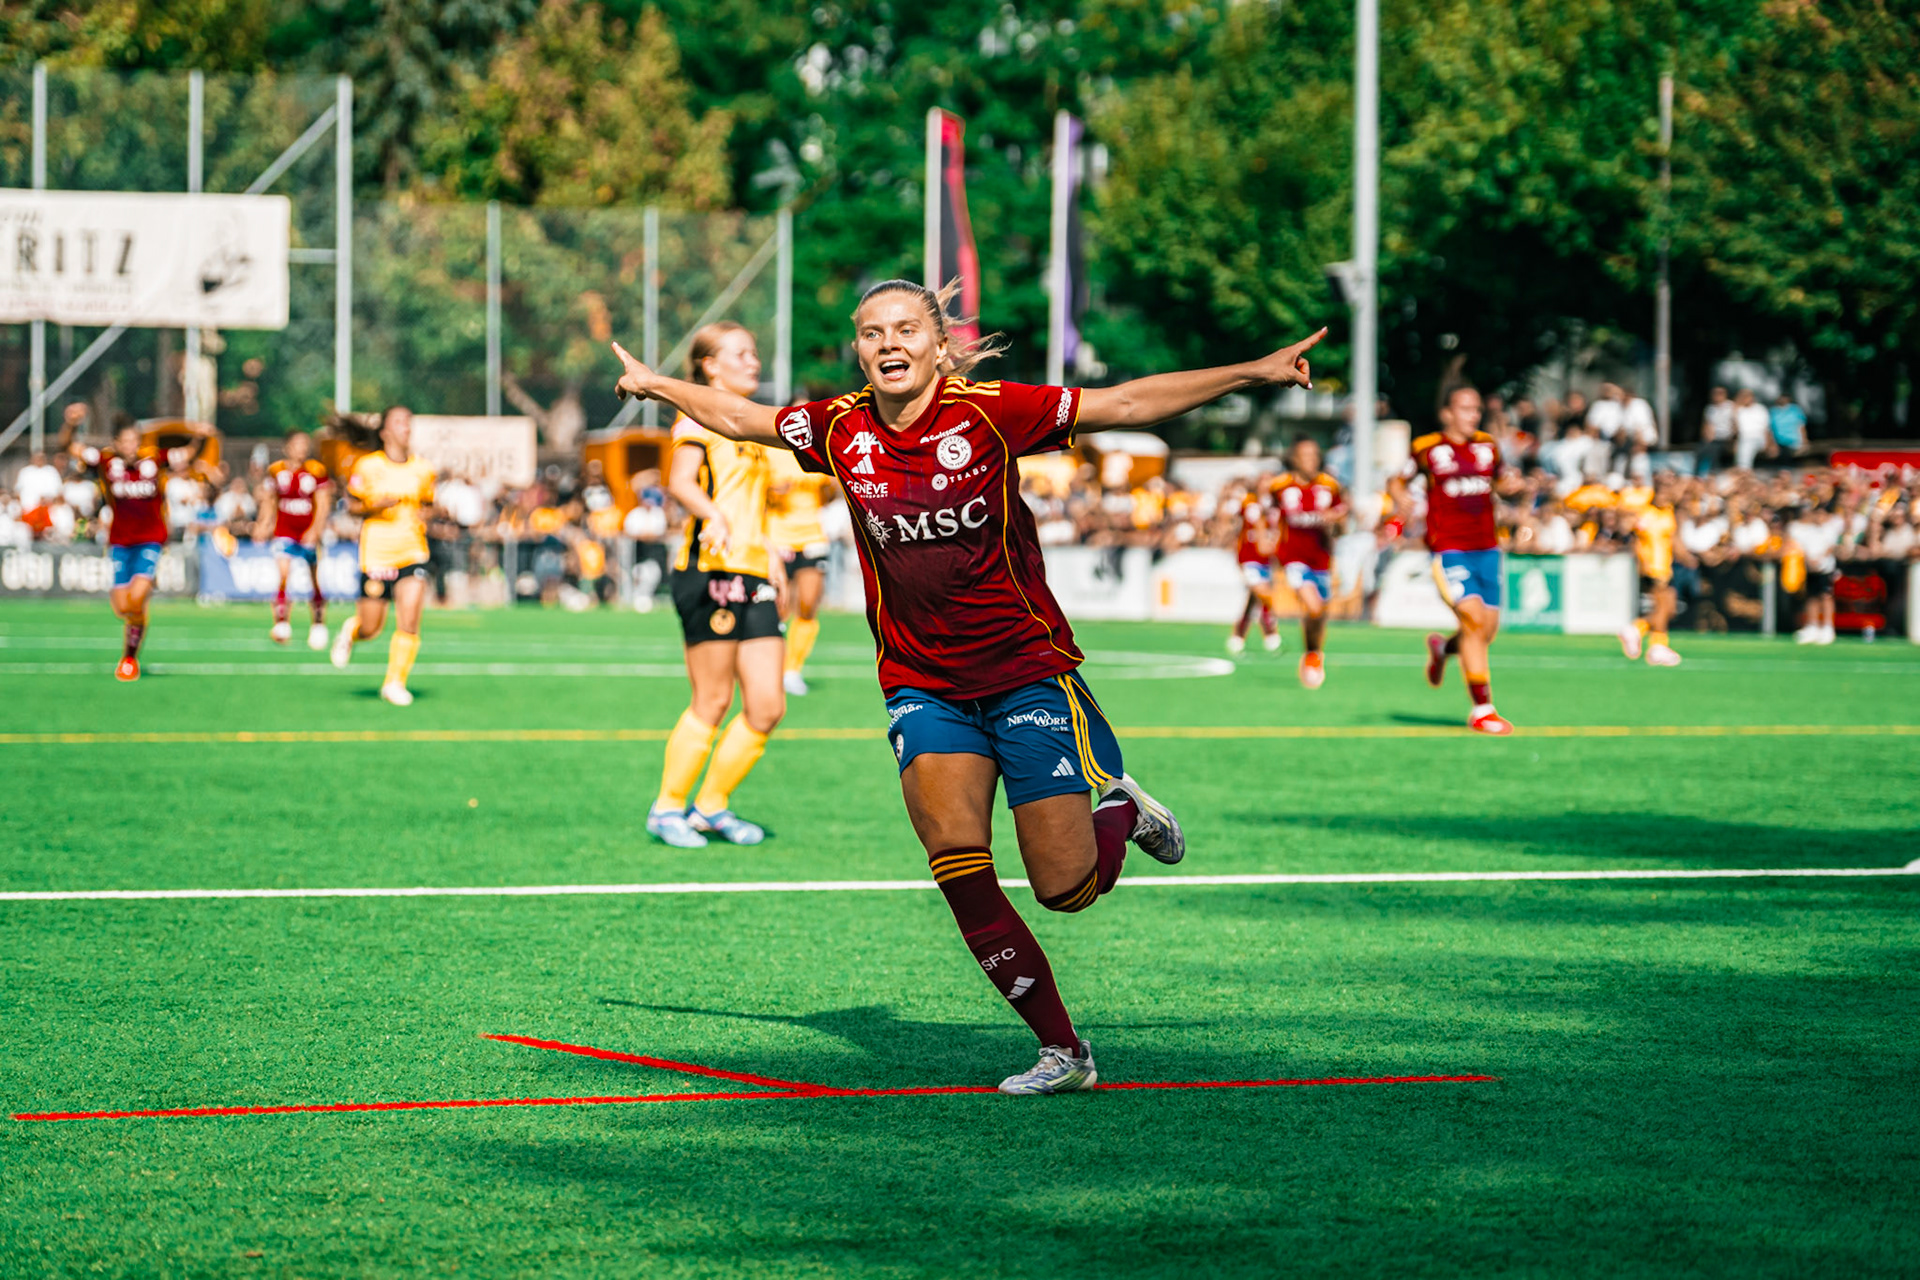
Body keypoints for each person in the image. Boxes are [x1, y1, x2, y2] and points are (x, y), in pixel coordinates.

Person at [610, 279, 1323, 1094]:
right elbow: (741, 417)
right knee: (956, 860)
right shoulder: (839, 426)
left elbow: (1126, 403)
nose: (889, 343)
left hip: (1024, 674)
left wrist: (1253, 370)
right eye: (872, 332)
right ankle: (1064, 1051)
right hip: (922, 685)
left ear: (938, 344)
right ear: (859, 350)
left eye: (905, 329)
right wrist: (656, 384)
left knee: (1065, 888)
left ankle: (1123, 810)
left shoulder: (990, 412)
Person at [647, 321, 789, 849]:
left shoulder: (751, 425)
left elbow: (750, 504)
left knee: (767, 706)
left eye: (755, 352)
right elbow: (680, 481)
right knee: (712, 698)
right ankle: (667, 809)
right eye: (741, 353)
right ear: (709, 366)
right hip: (709, 570)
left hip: (753, 571)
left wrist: (769, 550)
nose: (754, 361)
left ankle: (710, 807)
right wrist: (712, 516)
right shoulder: (698, 415)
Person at [1386, 384, 1513, 735]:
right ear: (1447, 413)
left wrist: (1513, 486)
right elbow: (1396, 480)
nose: (1473, 415)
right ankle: (1482, 709)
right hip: (1449, 547)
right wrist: (1400, 498)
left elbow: (1501, 482)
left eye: (1476, 409)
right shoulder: (1426, 448)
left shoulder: (1488, 446)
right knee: (1472, 619)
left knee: (1486, 630)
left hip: (1487, 546)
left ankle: (1443, 648)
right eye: (1465, 408)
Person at [60, 415, 213, 681]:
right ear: (116, 443)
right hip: (120, 541)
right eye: (126, 441)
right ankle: (137, 619)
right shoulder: (106, 460)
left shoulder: (154, 460)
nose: (131, 446)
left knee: (137, 597)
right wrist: (71, 424)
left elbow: (188, 453)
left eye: (134, 441)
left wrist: (199, 437)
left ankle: (129, 658)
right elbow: (69, 446)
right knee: (123, 608)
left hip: (151, 539)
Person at [328, 407, 436, 705]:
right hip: (377, 553)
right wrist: (374, 505)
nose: (406, 428)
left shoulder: (423, 469)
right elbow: (351, 506)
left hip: (412, 551)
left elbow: (428, 505)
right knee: (371, 628)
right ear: (385, 432)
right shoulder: (368, 466)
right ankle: (352, 631)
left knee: (410, 619)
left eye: (409, 422)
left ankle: (394, 683)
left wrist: (430, 514)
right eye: (399, 422)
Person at [1271, 437, 1347, 688]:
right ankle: (1312, 656)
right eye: (1305, 455)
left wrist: (1335, 521)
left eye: (1315, 455)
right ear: (1294, 458)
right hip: (1293, 557)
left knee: (1319, 613)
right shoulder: (1279, 486)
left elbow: (1341, 524)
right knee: (1313, 607)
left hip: (1321, 558)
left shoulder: (1329, 486)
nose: (1311, 460)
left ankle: (1312, 653)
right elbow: (1269, 517)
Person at [766, 446, 837, 696]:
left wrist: (831, 485)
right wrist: (773, 492)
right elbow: (756, 493)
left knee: (808, 606)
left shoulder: (817, 449)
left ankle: (792, 670)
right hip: (778, 537)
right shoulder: (768, 451)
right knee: (778, 609)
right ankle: (770, 668)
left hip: (813, 537)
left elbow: (829, 496)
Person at [254, 429, 334, 650]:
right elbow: (270, 501)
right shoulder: (276, 470)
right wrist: (263, 524)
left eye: (305, 444)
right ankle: (282, 623)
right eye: (298, 444)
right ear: (287, 447)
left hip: (308, 531)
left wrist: (315, 529)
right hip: (285, 530)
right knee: (282, 575)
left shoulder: (316, 470)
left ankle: (318, 623)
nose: (302, 448)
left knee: (314, 579)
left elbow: (323, 503)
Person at [1619, 474, 1683, 666]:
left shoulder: (1668, 512)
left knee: (1668, 608)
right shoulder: (1645, 512)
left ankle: (1638, 630)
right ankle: (1656, 645)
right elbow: (1630, 532)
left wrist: (1687, 557)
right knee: (1662, 606)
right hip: (1653, 566)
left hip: (1665, 565)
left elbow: (1672, 539)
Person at [1227, 480, 1283, 656]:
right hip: (1249, 557)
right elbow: (1249, 524)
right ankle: (1271, 634)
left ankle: (1238, 636)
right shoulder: (1250, 503)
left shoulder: (1276, 507)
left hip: (1266, 560)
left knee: (1254, 598)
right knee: (1263, 593)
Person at [1788, 500, 1844, 644]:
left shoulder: (1830, 529)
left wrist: (1819, 559)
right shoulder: (1808, 531)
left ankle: (1827, 627)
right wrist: (1809, 561)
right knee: (1811, 598)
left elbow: (1830, 547)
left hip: (1825, 568)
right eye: (1816, 514)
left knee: (1826, 597)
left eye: (1821, 514)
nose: (1818, 517)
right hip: (1811, 568)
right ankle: (1812, 626)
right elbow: (1803, 548)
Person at [1733, 390, 1773, 470]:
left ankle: (1743, 470)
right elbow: (1736, 429)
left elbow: (1766, 428)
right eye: (1743, 397)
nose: (1745, 398)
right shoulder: (1740, 410)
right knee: (1744, 445)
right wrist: (1735, 409)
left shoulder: (1760, 409)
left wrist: (1769, 442)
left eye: (1747, 396)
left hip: (1758, 438)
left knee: (1746, 446)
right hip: (1743, 439)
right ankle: (1743, 470)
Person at [1698, 386, 1734, 474]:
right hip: (1713, 437)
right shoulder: (1710, 409)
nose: (1717, 396)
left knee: (1714, 449)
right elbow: (1706, 424)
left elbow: (1735, 424)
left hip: (1727, 437)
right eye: (1715, 393)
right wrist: (1707, 435)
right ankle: (1700, 474)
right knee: (1700, 450)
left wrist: (1733, 436)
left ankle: (1714, 473)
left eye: (1720, 393)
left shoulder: (1731, 406)